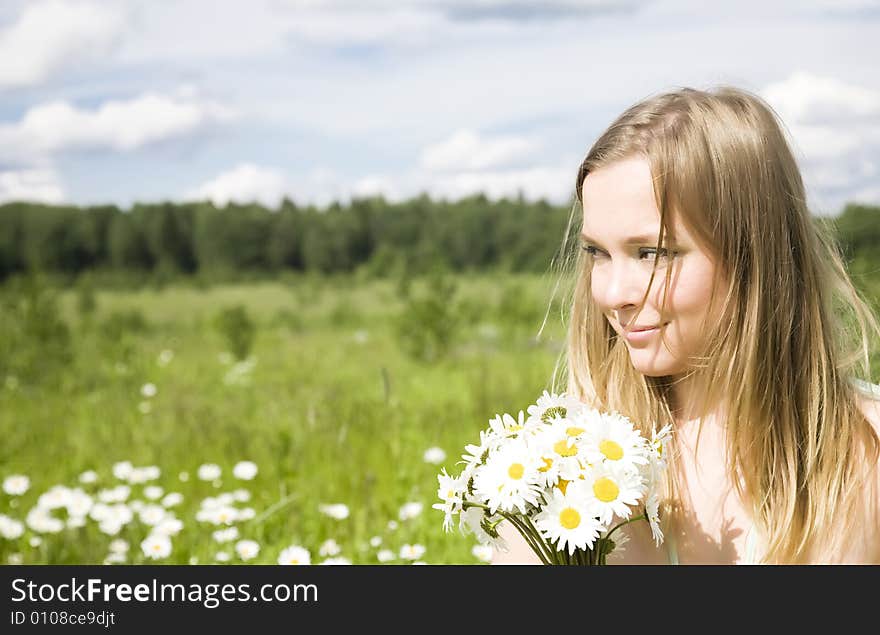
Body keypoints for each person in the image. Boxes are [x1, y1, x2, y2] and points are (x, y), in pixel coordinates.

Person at [492, 85, 880, 565]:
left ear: (752, 255)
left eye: (652, 253)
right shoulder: (567, 461)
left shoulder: (864, 451)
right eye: (597, 252)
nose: (613, 295)